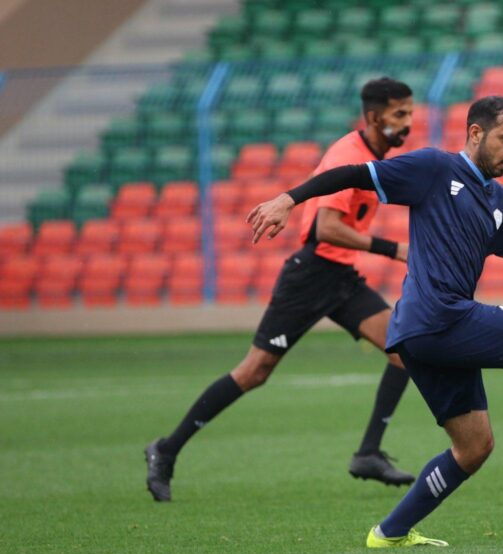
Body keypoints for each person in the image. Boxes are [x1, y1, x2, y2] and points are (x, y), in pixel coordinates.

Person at [248, 96, 503, 547]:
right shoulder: (432, 169)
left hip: (419, 334)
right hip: (438, 318)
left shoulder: (501, 203)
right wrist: (288, 199)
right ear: (474, 133)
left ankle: (389, 533)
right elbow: (355, 175)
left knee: (474, 448)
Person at [145, 78, 418, 502]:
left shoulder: (374, 156)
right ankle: (165, 449)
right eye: (400, 115)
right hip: (310, 276)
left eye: (410, 113)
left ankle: (368, 454)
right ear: (373, 117)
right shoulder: (348, 156)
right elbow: (326, 227)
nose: (408, 123)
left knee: (404, 351)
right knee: (254, 372)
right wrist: (394, 249)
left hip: (341, 277)